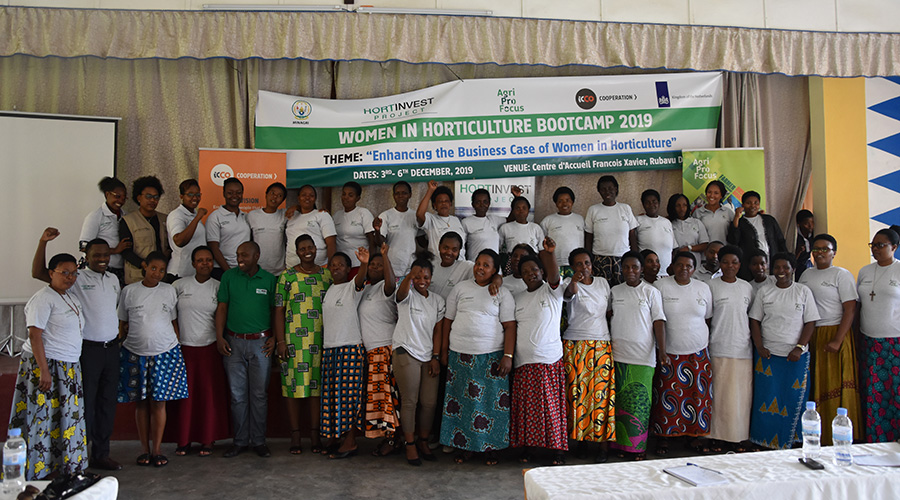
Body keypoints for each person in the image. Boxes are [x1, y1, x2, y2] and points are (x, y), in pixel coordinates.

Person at [31, 229, 122, 471]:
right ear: (86, 256)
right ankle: (79, 455)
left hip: (112, 349)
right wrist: (43, 243)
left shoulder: (113, 280)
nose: (102, 259)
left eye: (106, 255)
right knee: (86, 404)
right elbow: (39, 273)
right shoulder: (76, 278)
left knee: (107, 404)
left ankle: (102, 454)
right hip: (88, 351)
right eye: (96, 255)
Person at [11, 252, 87, 479]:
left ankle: (65, 467)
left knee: (65, 418)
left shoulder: (69, 296)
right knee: (42, 417)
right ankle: (39, 471)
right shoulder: (43, 298)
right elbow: (35, 336)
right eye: (65, 273)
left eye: (74, 273)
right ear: (51, 273)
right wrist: (44, 370)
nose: (70, 277)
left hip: (68, 366)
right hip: (47, 365)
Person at [440, 249, 516, 466]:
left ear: (494, 270)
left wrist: (508, 356)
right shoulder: (460, 289)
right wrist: (444, 351)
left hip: (491, 357)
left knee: (491, 405)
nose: (480, 268)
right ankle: (466, 448)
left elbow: (510, 326)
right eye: (478, 263)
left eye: (486, 265)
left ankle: (491, 449)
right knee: (463, 404)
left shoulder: (503, 293)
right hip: (460, 354)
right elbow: (447, 321)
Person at [117, 251, 188, 468]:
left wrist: (177, 344)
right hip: (134, 352)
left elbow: (174, 322)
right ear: (145, 267)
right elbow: (122, 324)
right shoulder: (129, 291)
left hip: (165, 352)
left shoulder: (169, 291)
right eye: (153, 268)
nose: (157, 273)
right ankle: (144, 450)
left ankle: (157, 450)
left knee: (159, 403)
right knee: (141, 404)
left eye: (162, 270)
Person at [749, 252, 819, 450]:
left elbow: (810, 322)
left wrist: (799, 347)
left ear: (793, 269)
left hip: (795, 357)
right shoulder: (765, 292)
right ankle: (764, 442)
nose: (781, 272)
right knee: (766, 397)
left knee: (795, 398)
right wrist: (759, 346)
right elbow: (755, 320)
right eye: (777, 268)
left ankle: (793, 442)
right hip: (768, 355)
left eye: (785, 267)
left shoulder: (803, 291)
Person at [166, 246, 231, 457]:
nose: (205, 264)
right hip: (184, 348)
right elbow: (170, 315)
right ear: (193, 264)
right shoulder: (179, 285)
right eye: (200, 260)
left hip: (209, 348)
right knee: (185, 398)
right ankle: (183, 441)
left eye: (209, 260)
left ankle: (207, 440)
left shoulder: (219, 286)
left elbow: (223, 316)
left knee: (208, 397)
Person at [216, 241, 277, 458]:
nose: (239, 258)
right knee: (237, 395)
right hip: (233, 343)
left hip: (261, 344)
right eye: (237, 255)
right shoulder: (228, 277)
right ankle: (240, 441)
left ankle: (259, 441)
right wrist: (219, 336)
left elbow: (275, 311)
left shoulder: (270, 280)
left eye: (244, 255)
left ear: (257, 256)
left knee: (259, 395)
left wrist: (275, 338)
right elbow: (222, 307)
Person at [798, 233, 862, 444]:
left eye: (825, 249)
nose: (820, 253)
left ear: (834, 252)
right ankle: (817, 434)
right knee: (816, 382)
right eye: (816, 249)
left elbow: (850, 309)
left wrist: (837, 339)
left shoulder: (841, 275)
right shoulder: (806, 275)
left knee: (835, 381)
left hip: (835, 332)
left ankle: (839, 435)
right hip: (812, 333)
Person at [510, 238, 568, 466]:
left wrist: (550, 253)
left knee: (551, 409)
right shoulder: (518, 298)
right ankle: (529, 449)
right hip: (524, 362)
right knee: (528, 411)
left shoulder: (553, 291)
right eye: (525, 271)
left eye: (534, 269)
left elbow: (554, 277)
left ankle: (557, 451)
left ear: (541, 271)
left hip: (549, 360)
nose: (530, 274)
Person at [651, 252, 713, 455]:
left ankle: (694, 436)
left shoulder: (703, 288)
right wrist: (661, 349)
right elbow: (657, 318)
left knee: (697, 396)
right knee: (667, 396)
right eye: (680, 265)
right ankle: (665, 437)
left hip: (698, 351)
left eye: (688, 266)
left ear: (694, 269)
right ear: (672, 266)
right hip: (670, 352)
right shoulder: (661, 286)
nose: (684, 269)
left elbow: (708, 317)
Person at [275, 234, 331, 455]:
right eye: (302, 248)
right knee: (293, 389)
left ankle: (315, 435)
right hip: (294, 342)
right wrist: (280, 341)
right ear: (296, 252)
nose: (307, 251)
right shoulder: (286, 277)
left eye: (310, 247)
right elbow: (278, 310)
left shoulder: (327, 275)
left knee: (316, 390)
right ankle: (296, 434)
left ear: (316, 249)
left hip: (321, 341)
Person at [609, 251, 667, 461]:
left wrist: (663, 350)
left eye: (635, 267)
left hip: (642, 357)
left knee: (639, 404)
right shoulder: (615, 291)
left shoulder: (651, 292)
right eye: (626, 267)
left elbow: (658, 321)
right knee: (619, 404)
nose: (630, 271)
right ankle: (618, 445)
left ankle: (637, 449)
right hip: (618, 355)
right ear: (621, 269)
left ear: (641, 269)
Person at [392, 253, 446, 466]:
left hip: (428, 355)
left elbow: (438, 331)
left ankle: (424, 440)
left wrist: (435, 356)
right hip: (406, 351)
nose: (421, 281)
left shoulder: (437, 300)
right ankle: (410, 443)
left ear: (431, 278)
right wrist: (408, 277)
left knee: (429, 402)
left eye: (426, 277)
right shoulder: (406, 294)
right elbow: (402, 292)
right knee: (410, 401)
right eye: (417, 277)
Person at [562, 248, 615, 463]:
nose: (584, 267)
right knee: (577, 396)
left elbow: (609, 311)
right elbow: (568, 295)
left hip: (602, 344)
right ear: (572, 267)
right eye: (578, 264)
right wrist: (574, 280)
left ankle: (602, 446)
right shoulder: (568, 282)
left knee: (601, 397)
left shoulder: (603, 283)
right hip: (576, 344)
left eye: (587, 263)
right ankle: (580, 442)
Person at [320, 249, 369, 459]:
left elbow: (360, 279)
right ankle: (334, 437)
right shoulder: (329, 289)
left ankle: (350, 442)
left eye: (341, 264)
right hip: (330, 349)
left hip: (349, 348)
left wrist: (364, 263)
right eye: (333, 264)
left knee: (350, 398)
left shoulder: (352, 287)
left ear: (348, 269)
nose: (336, 267)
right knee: (332, 397)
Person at [706, 245, 754, 452]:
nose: (729, 266)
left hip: (742, 349)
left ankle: (738, 437)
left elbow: (751, 318)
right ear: (719, 263)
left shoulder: (747, 288)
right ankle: (716, 437)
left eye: (734, 262)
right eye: (725, 262)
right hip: (718, 346)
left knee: (740, 397)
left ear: (740, 265)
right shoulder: (711, 286)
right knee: (719, 396)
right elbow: (706, 319)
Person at [857, 228, 900, 442]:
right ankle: (874, 438)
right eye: (873, 245)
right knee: (872, 392)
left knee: (893, 394)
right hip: (868, 341)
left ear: (894, 247)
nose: (875, 249)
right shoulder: (865, 271)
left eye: (881, 245)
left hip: (894, 343)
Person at [358, 245, 401, 451]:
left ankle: (392, 440)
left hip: (384, 347)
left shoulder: (386, 287)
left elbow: (392, 284)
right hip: (369, 351)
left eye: (379, 265)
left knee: (387, 398)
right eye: (372, 265)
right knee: (380, 399)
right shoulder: (363, 288)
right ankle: (388, 437)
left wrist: (385, 257)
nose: (375, 268)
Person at [585, 175, 638, 286]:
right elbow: (588, 238)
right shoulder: (593, 210)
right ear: (599, 191)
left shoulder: (625, 208)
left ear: (616, 189)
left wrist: (636, 258)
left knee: (622, 291)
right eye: (603, 189)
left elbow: (632, 235)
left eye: (610, 188)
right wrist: (589, 261)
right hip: (600, 259)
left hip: (623, 259)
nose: (607, 192)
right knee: (602, 292)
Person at [120, 176, 170, 284]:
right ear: (138, 197)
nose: (153, 200)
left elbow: (170, 246)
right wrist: (144, 264)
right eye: (148, 196)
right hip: (137, 277)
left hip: (161, 277)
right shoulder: (128, 221)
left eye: (156, 197)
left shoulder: (165, 219)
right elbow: (126, 252)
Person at [80, 176, 130, 285]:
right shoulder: (95, 216)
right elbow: (84, 247)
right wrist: (115, 250)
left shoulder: (126, 215)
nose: (120, 201)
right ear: (107, 194)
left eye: (124, 198)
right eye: (117, 196)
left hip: (120, 270)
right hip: (98, 269)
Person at [728, 190, 788, 281]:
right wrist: (736, 217)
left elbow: (780, 240)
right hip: (750, 265)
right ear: (743, 205)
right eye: (748, 203)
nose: (752, 206)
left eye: (756, 203)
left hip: (771, 261)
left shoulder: (769, 220)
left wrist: (785, 258)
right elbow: (734, 240)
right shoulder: (740, 222)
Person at [206, 178, 252, 280]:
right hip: (221, 270)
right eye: (230, 193)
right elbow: (213, 248)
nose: (234, 196)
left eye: (238, 192)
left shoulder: (246, 216)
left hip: (243, 269)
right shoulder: (215, 216)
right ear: (224, 194)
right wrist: (229, 272)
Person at [285, 184, 336, 269]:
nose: (307, 198)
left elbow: (331, 244)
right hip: (292, 268)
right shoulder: (291, 217)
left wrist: (330, 267)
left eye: (311, 195)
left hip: (319, 268)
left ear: (315, 199)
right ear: (298, 198)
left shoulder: (322, 215)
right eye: (304, 195)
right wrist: (296, 207)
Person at [374, 181, 419, 279]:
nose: (401, 196)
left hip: (410, 268)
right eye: (397, 193)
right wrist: (377, 230)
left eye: (404, 193)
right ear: (393, 196)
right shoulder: (385, 216)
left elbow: (422, 241)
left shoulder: (415, 216)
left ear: (410, 195)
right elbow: (380, 243)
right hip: (390, 266)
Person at [417, 180, 466, 264]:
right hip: (438, 265)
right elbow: (419, 214)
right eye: (440, 201)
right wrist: (430, 190)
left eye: (446, 201)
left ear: (450, 204)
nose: (443, 204)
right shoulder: (431, 219)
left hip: (459, 265)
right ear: (434, 205)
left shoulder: (456, 220)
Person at [540, 187, 585, 278]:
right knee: (557, 289)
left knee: (576, 289)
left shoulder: (580, 219)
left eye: (567, 200)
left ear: (572, 202)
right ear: (556, 203)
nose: (564, 204)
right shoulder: (548, 220)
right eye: (560, 201)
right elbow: (542, 245)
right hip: (556, 264)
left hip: (577, 264)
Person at [166, 179, 207, 280]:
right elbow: (179, 241)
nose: (195, 198)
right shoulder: (176, 215)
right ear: (181, 196)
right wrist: (198, 218)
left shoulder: (193, 214)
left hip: (193, 272)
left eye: (198, 194)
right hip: (180, 273)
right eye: (190, 194)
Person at [333, 181, 376, 272]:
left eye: (350, 195)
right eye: (344, 194)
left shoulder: (363, 213)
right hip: (341, 267)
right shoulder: (336, 215)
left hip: (359, 264)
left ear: (358, 198)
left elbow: (372, 241)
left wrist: (370, 263)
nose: (346, 198)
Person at [247, 182, 288, 276]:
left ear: (282, 200)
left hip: (279, 271)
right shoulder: (252, 215)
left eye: (279, 195)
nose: (274, 197)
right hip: (257, 269)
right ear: (266, 195)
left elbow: (301, 211)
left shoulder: (284, 215)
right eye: (272, 193)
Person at [635, 189, 677, 275]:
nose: (651, 205)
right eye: (647, 202)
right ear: (643, 204)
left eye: (654, 202)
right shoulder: (638, 220)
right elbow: (633, 246)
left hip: (666, 274)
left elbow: (674, 248)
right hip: (647, 274)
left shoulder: (667, 222)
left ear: (659, 203)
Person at [667, 193, 709, 272]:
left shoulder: (696, 222)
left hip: (695, 266)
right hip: (677, 266)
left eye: (684, 205)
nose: (682, 208)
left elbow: (705, 245)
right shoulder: (668, 224)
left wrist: (688, 248)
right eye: (678, 205)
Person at [461, 188, 506, 259]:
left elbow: (512, 219)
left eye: (485, 202)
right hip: (475, 266)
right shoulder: (466, 222)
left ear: (489, 204)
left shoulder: (494, 220)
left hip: (494, 268)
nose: (482, 205)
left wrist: (517, 197)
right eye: (478, 202)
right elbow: (461, 246)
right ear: (473, 204)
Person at [429, 232, 474, 300]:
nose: (449, 252)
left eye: (454, 250)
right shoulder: (430, 265)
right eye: (446, 248)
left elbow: (487, 272)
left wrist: (496, 279)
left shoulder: (466, 267)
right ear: (439, 247)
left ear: (459, 251)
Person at [692, 180, 734, 245]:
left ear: (721, 195)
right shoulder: (697, 212)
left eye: (716, 193)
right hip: (705, 253)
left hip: (724, 252)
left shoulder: (728, 212)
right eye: (709, 192)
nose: (711, 195)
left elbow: (734, 234)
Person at [795, 209, 815, 280]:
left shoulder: (813, 235)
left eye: (812, 222)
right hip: (798, 268)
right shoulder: (795, 238)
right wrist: (798, 251)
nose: (811, 226)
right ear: (799, 224)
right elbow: (792, 260)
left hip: (809, 265)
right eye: (806, 224)